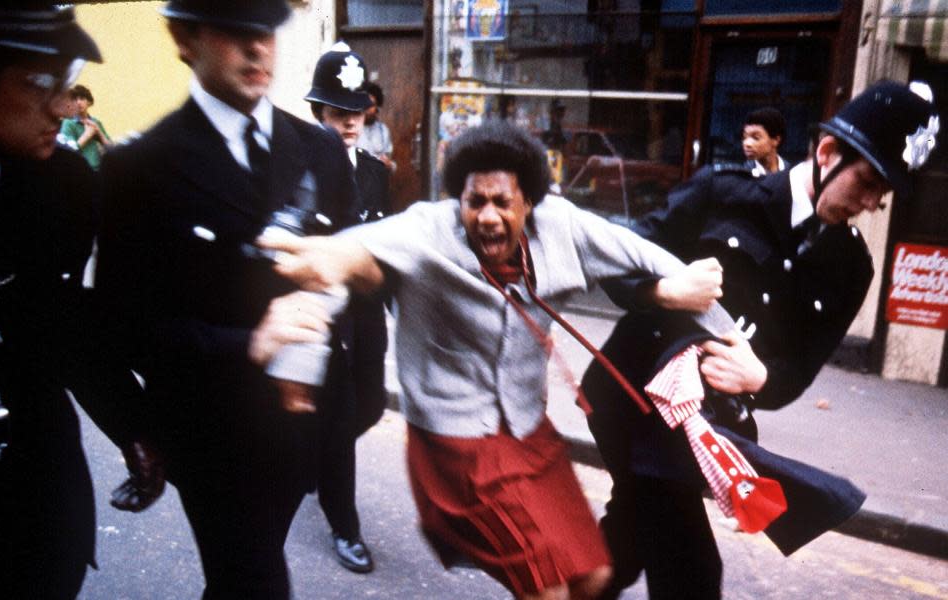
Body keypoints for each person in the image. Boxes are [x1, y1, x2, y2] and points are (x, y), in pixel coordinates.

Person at [260, 119, 727, 600]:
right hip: (456, 443)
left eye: (502, 202)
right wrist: (301, 351)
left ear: (529, 203)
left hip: (529, 434)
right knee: (548, 590)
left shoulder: (564, 226)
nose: (486, 216)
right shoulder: (427, 230)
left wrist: (737, 347)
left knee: (594, 577)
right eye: (474, 201)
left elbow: (658, 263)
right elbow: (351, 257)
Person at [582, 80, 940, 599]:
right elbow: (618, 260)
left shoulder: (851, 267)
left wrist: (762, 376)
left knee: (633, 535)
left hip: (704, 428)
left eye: (880, 195)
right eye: (866, 182)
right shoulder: (723, 191)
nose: (867, 202)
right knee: (689, 568)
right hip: (629, 394)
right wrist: (663, 289)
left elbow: (798, 371)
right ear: (827, 152)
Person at [93, 1, 358, 598]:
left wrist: (354, 394)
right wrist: (249, 344)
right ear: (184, 38)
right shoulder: (140, 168)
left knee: (246, 576)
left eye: (265, 30)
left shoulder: (318, 151)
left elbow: (353, 279)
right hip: (210, 434)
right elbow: (121, 328)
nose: (257, 47)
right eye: (236, 31)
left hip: (304, 427)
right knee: (254, 579)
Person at [0, 5, 164, 598]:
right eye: (38, 82)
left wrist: (132, 427)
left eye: (65, 84)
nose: (62, 107)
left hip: (38, 495)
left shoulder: (61, 184)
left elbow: (61, 318)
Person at [304, 41, 391, 574]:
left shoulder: (377, 171)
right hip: (322, 314)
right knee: (338, 422)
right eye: (339, 113)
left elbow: (389, 243)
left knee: (372, 406)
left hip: (368, 314)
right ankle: (345, 526)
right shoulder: (299, 167)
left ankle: (313, 457)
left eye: (357, 112)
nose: (351, 123)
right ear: (320, 113)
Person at [59, 83, 111, 169]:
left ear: (89, 102)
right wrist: (87, 134)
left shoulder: (96, 123)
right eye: (75, 100)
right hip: (79, 172)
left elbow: (110, 148)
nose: (78, 102)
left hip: (98, 170)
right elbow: (68, 151)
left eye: (82, 98)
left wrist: (98, 131)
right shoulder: (68, 123)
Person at [358, 80, 395, 171]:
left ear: (377, 107)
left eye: (371, 105)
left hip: (377, 180)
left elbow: (388, 161)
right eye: (364, 104)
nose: (367, 109)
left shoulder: (383, 130)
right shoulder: (352, 129)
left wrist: (390, 165)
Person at [742, 106, 786, 176]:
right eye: (745, 137)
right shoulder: (742, 176)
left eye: (756, 138)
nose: (747, 143)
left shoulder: (793, 174)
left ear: (776, 140)